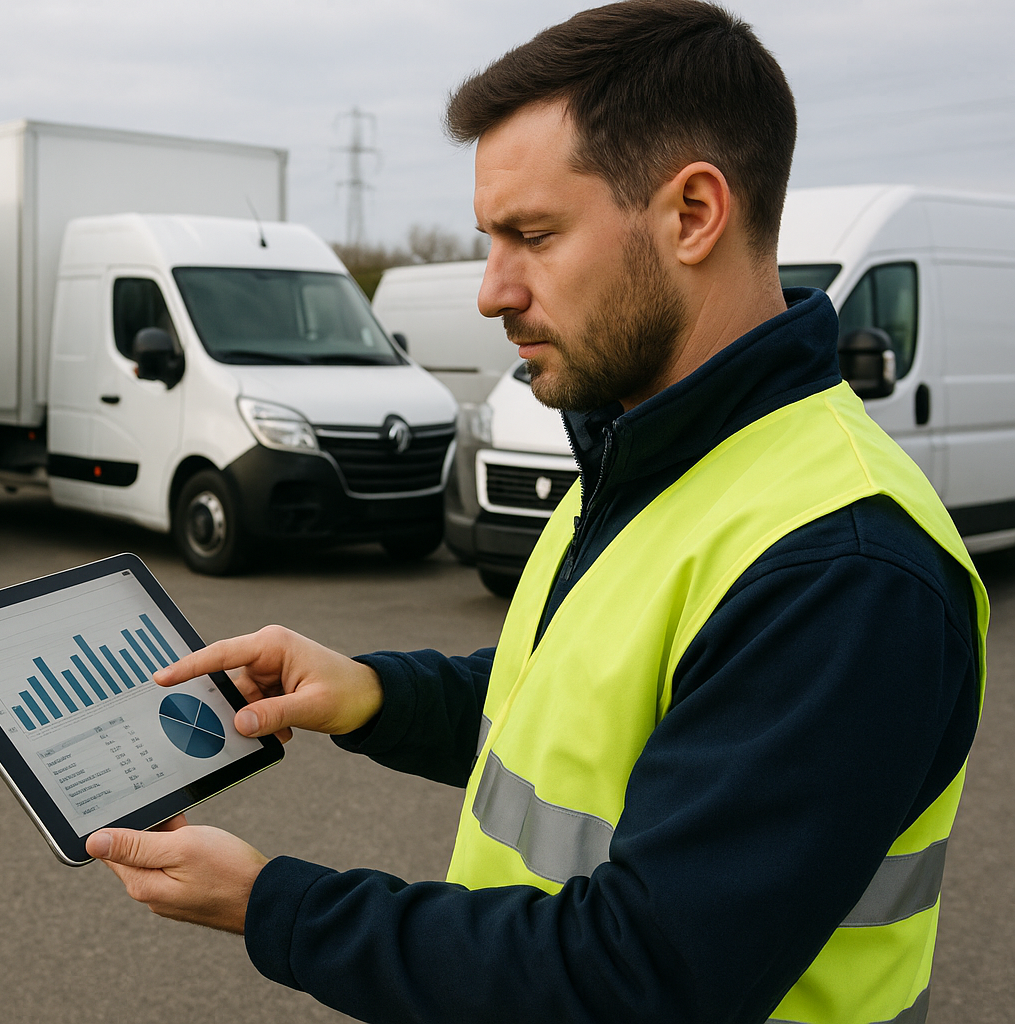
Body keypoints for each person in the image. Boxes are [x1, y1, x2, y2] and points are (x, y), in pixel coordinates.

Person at [86, 2, 988, 1021]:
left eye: (534, 235)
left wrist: (272, 904)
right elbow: (579, 707)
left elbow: (636, 975)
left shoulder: (847, 568)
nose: (490, 290)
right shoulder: (651, 452)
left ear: (693, 213)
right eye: (490, 240)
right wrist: (375, 695)